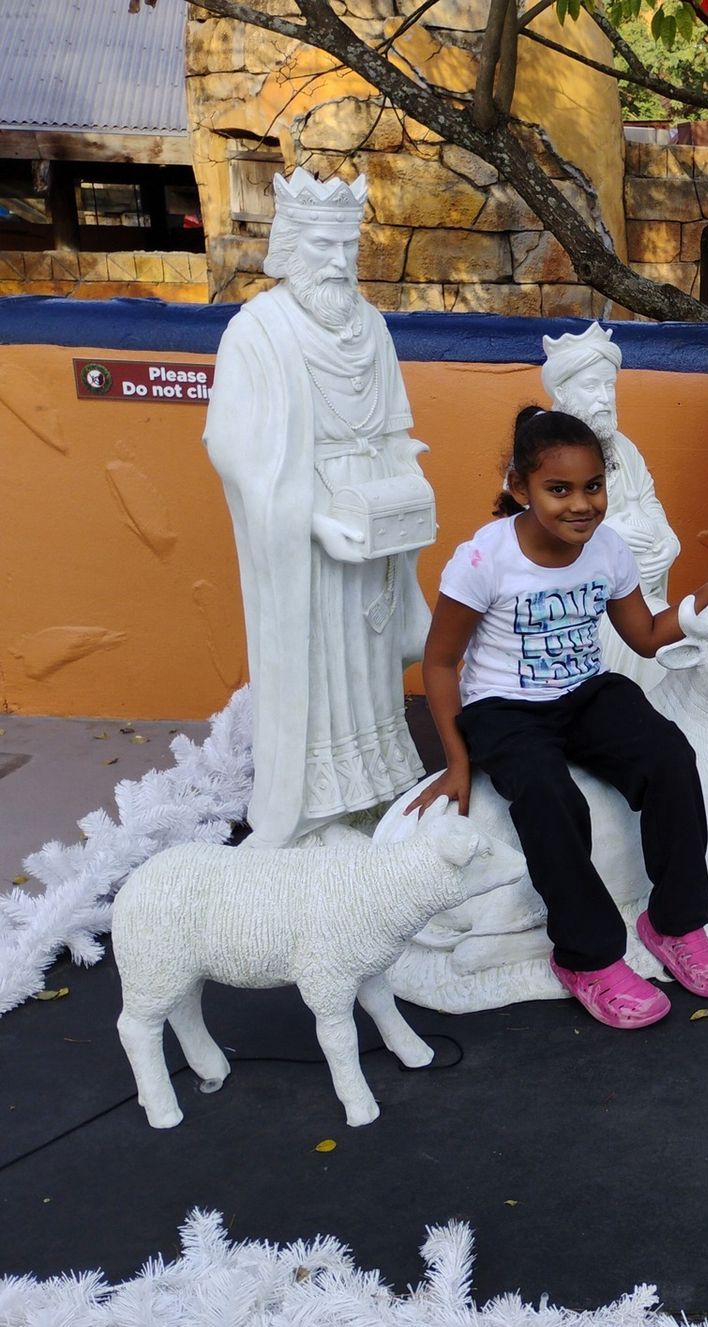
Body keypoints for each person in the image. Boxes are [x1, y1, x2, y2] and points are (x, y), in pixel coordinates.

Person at [408, 406, 708, 1029]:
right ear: (519, 487)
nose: (581, 505)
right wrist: (457, 764)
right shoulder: (484, 560)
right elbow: (439, 664)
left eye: (593, 486)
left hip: (583, 694)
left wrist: (707, 594)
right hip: (504, 708)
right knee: (549, 794)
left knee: (669, 757)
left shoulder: (608, 549)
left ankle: (674, 923)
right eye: (559, 489)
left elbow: (646, 636)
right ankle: (586, 956)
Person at [205, 169, 435, 848]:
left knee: (371, 663)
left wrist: (406, 479)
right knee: (320, 664)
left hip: (375, 518)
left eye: (347, 246)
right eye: (322, 246)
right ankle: (315, 814)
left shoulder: (372, 326)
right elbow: (231, 446)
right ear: (290, 245)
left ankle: (372, 796)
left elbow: (393, 426)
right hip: (305, 526)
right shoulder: (257, 332)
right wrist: (309, 522)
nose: (338, 262)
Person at [540, 321, 680, 601]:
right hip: (572, 601)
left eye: (610, 386)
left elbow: (648, 501)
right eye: (591, 386)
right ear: (561, 392)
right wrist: (607, 533)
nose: (604, 398)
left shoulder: (622, 447)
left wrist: (668, 540)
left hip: (635, 593)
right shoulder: (538, 448)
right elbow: (533, 525)